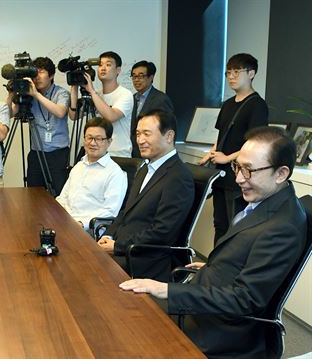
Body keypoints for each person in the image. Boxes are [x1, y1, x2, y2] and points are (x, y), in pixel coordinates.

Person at [120, 126, 305, 359]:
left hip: (222, 331)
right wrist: (212, 266)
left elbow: (244, 300)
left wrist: (166, 290)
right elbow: (247, 256)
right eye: (237, 166)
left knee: (126, 333)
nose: (238, 178)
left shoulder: (283, 227)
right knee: (125, 310)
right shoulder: (268, 200)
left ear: (281, 173)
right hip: (206, 300)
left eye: (249, 171)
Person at [97, 110, 194, 281]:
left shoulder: (179, 177)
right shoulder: (144, 169)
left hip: (145, 259)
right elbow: (125, 212)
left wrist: (117, 247)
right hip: (124, 249)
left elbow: (162, 232)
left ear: (169, 136)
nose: (140, 140)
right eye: (138, 134)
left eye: (147, 134)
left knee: (86, 270)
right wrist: (108, 235)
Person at [199, 53, 269, 243]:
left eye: (237, 72)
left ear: (252, 73)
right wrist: (211, 153)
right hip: (221, 174)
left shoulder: (257, 105)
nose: (231, 76)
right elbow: (222, 136)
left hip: (240, 174)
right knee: (219, 224)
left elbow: (255, 142)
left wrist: (228, 157)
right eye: (228, 73)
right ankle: (216, 265)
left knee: (236, 226)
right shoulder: (228, 104)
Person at [7, 56, 70, 195]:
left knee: (58, 194)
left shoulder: (61, 93)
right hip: (36, 153)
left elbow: (60, 112)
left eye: (41, 72)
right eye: (35, 73)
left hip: (57, 154)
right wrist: (11, 95)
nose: (37, 77)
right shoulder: (28, 93)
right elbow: (10, 113)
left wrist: (36, 95)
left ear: (51, 75)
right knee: (34, 194)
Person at [56, 117, 127, 230]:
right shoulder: (79, 166)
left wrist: (81, 224)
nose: (92, 143)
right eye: (89, 138)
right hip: (65, 224)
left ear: (109, 142)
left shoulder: (115, 173)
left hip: (88, 231)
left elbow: (110, 211)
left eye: (99, 139)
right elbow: (62, 198)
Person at [69, 51, 133, 157]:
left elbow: (111, 116)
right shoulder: (95, 94)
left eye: (108, 65)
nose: (103, 68)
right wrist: (74, 88)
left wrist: (92, 92)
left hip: (117, 154)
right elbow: (73, 116)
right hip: (95, 153)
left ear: (118, 70)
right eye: (100, 65)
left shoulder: (125, 94)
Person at [129, 61, 174, 158]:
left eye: (141, 76)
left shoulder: (161, 99)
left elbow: (168, 128)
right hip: (133, 154)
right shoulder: (131, 99)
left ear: (151, 77)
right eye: (134, 76)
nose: (136, 80)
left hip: (152, 154)